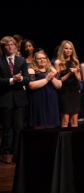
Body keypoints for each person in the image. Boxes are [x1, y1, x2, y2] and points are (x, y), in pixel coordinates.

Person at [0, 36, 29, 164]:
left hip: (20, 99)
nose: (10, 47)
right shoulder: (0, 61)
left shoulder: (21, 61)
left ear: (15, 46)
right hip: (5, 98)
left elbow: (27, 79)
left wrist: (20, 78)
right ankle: (7, 152)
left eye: (12, 44)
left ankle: (17, 153)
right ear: (3, 47)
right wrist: (12, 80)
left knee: (19, 127)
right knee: (7, 127)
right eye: (7, 45)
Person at [27, 51, 62, 128]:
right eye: (39, 58)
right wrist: (46, 79)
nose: (42, 60)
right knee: (39, 124)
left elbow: (59, 85)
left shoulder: (52, 69)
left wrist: (51, 78)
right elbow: (31, 85)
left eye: (44, 58)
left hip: (51, 101)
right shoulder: (31, 70)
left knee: (51, 124)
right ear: (35, 60)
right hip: (38, 101)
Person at [54, 40, 81, 127]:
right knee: (65, 120)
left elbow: (79, 79)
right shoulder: (58, 62)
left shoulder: (75, 61)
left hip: (74, 91)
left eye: (70, 49)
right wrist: (70, 74)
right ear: (62, 49)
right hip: (64, 92)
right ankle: (64, 140)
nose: (69, 50)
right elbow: (58, 80)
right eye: (66, 48)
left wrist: (75, 73)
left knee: (74, 121)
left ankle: (75, 140)